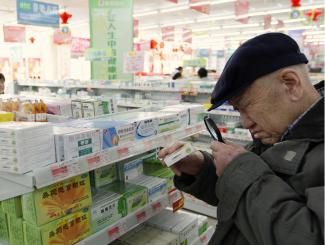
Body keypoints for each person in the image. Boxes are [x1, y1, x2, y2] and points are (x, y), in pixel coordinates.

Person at [159, 33, 324, 245]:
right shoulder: (277, 133)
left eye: (246, 106)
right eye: (238, 111)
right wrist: (203, 169)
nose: (245, 123)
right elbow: (248, 202)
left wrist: (240, 169)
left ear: (291, 84)